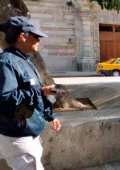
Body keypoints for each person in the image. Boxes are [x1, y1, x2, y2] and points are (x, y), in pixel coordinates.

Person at [0, 16, 61, 170]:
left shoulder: (24, 60)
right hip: (18, 136)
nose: (39, 40)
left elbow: (30, 94)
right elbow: (5, 99)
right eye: (36, 36)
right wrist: (36, 91)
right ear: (22, 36)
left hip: (28, 132)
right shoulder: (7, 62)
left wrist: (48, 116)